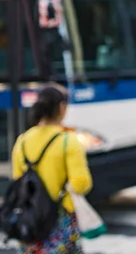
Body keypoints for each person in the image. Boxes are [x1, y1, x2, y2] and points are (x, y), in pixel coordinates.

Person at [12, 85, 93, 254]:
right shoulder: (68, 141)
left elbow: (18, 181)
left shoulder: (22, 141)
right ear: (61, 108)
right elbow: (81, 184)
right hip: (60, 218)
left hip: (31, 218)